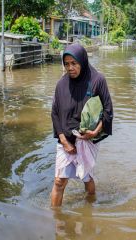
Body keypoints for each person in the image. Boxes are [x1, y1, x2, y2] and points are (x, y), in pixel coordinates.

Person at [51, 43, 113, 207]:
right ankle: (56, 222)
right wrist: (64, 142)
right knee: (59, 181)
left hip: (87, 139)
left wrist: (94, 133)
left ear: (83, 62)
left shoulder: (97, 80)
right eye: (66, 64)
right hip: (65, 140)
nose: (70, 68)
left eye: (74, 63)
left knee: (86, 178)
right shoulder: (61, 84)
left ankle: (89, 207)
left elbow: (108, 110)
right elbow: (55, 113)